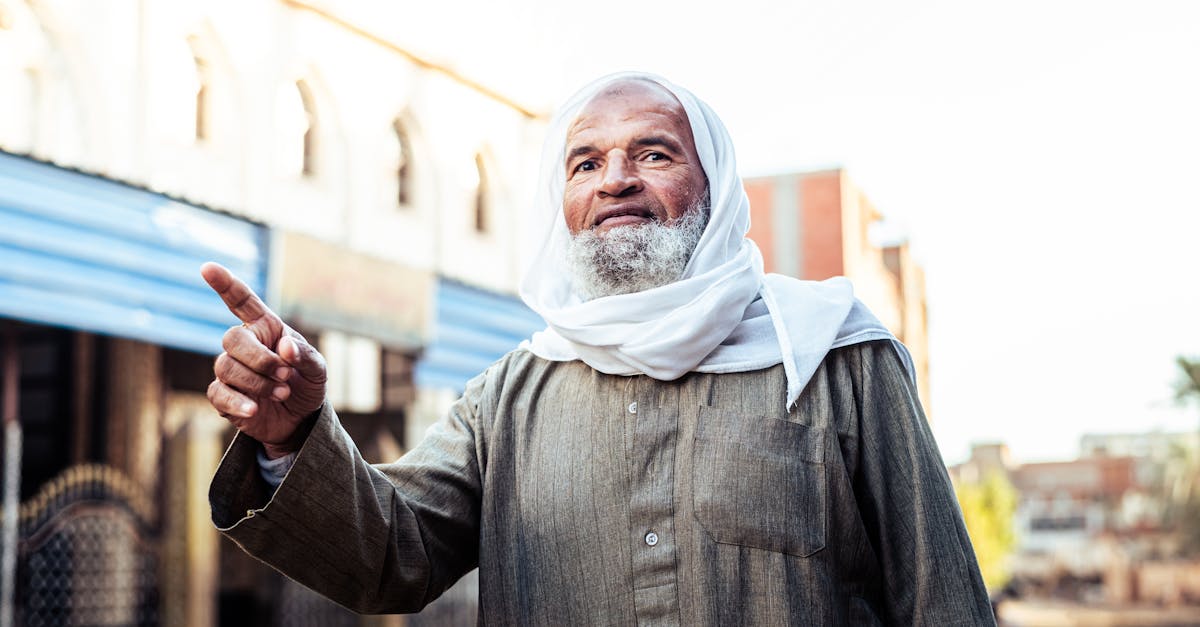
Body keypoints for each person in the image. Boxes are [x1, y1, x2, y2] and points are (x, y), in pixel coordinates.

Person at [204, 72, 996, 625]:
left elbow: (943, 602)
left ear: (715, 188)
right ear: (565, 207)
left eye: (653, 152)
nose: (615, 178)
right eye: (586, 162)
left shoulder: (835, 357)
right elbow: (388, 557)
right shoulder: (510, 395)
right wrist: (292, 437)